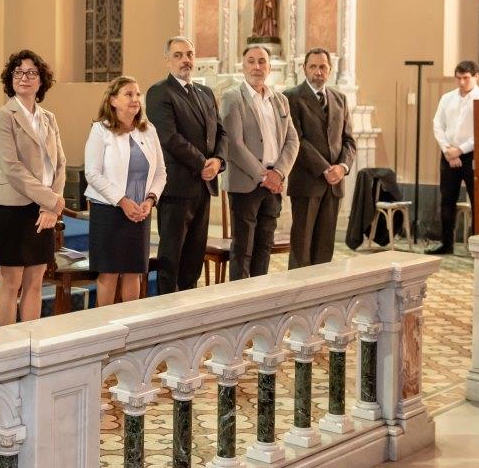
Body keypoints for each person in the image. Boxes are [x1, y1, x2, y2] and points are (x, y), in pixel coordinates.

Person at [0, 50, 66, 325]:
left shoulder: (49, 118)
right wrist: (52, 200)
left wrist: (49, 206)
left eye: (32, 73)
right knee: (12, 280)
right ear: (11, 79)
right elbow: (12, 168)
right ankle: (9, 347)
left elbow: (60, 164)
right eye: (18, 72)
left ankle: (31, 342)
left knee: (36, 278)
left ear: (41, 80)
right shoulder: (3, 116)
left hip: (43, 208)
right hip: (12, 207)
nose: (25, 77)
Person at [145, 36, 226, 294]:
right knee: (172, 256)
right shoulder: (160, 92)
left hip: (203, 187)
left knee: (194, 256)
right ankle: (167, 313)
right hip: (177, 188)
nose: (185, 60)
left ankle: (190, 309)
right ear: (167, 60)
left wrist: (219, 161)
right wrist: (203, 163)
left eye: (189, 54)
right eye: (178, 55)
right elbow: (168, 137)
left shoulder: (205, 93)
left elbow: (221, 132)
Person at [84, 76, 167, 307]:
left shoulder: (148, 130)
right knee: (109, 273)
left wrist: (150, 201)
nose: (135, 99)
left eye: (137, 94)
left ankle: (130, 325)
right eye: (128, 94)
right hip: (109, 211)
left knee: (134, 272)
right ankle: (105, 329)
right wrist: (122, 201)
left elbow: (161, 172)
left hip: (140, 212)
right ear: (113, 101)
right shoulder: (101, 130)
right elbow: (92, 173)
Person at [221, 45, 299, 279]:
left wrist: (280, 173)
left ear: (269, 67)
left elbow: (292, 140)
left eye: (262, 62)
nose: (257, 66)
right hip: (246, 184)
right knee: (243, 250)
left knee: (264, 246)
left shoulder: (280, 100)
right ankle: (240, 306)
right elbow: (234, 144)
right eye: (251, 61)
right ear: (243, 66)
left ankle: (260, 302)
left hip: (274, 185)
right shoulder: (232, 98)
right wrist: (263, 176)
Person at [284, 48, 356, 269]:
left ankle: (321, 299)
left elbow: (349, 141)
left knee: (325, 249)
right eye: (313, 66)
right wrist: (326, 169)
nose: (318, 72)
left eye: (322, 67)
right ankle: (297, 299)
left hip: (334, 186)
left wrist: (342, 168)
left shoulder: (340, 98)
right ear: (304, 69)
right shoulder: (291, 97)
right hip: (307, 182)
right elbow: (297, 139)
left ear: (330, 70)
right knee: (302, 249)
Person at [429, 60, 479, 255]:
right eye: (458, 79)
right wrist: (448, 150)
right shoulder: (447, 98)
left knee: (477, 202)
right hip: (448, 154)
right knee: (447, 201)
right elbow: (437, 124)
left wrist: (461, 150)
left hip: (472, 155)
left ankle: (478, 248)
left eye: (466, 78)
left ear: (476, 76)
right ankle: (446, 244)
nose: (462, 82)